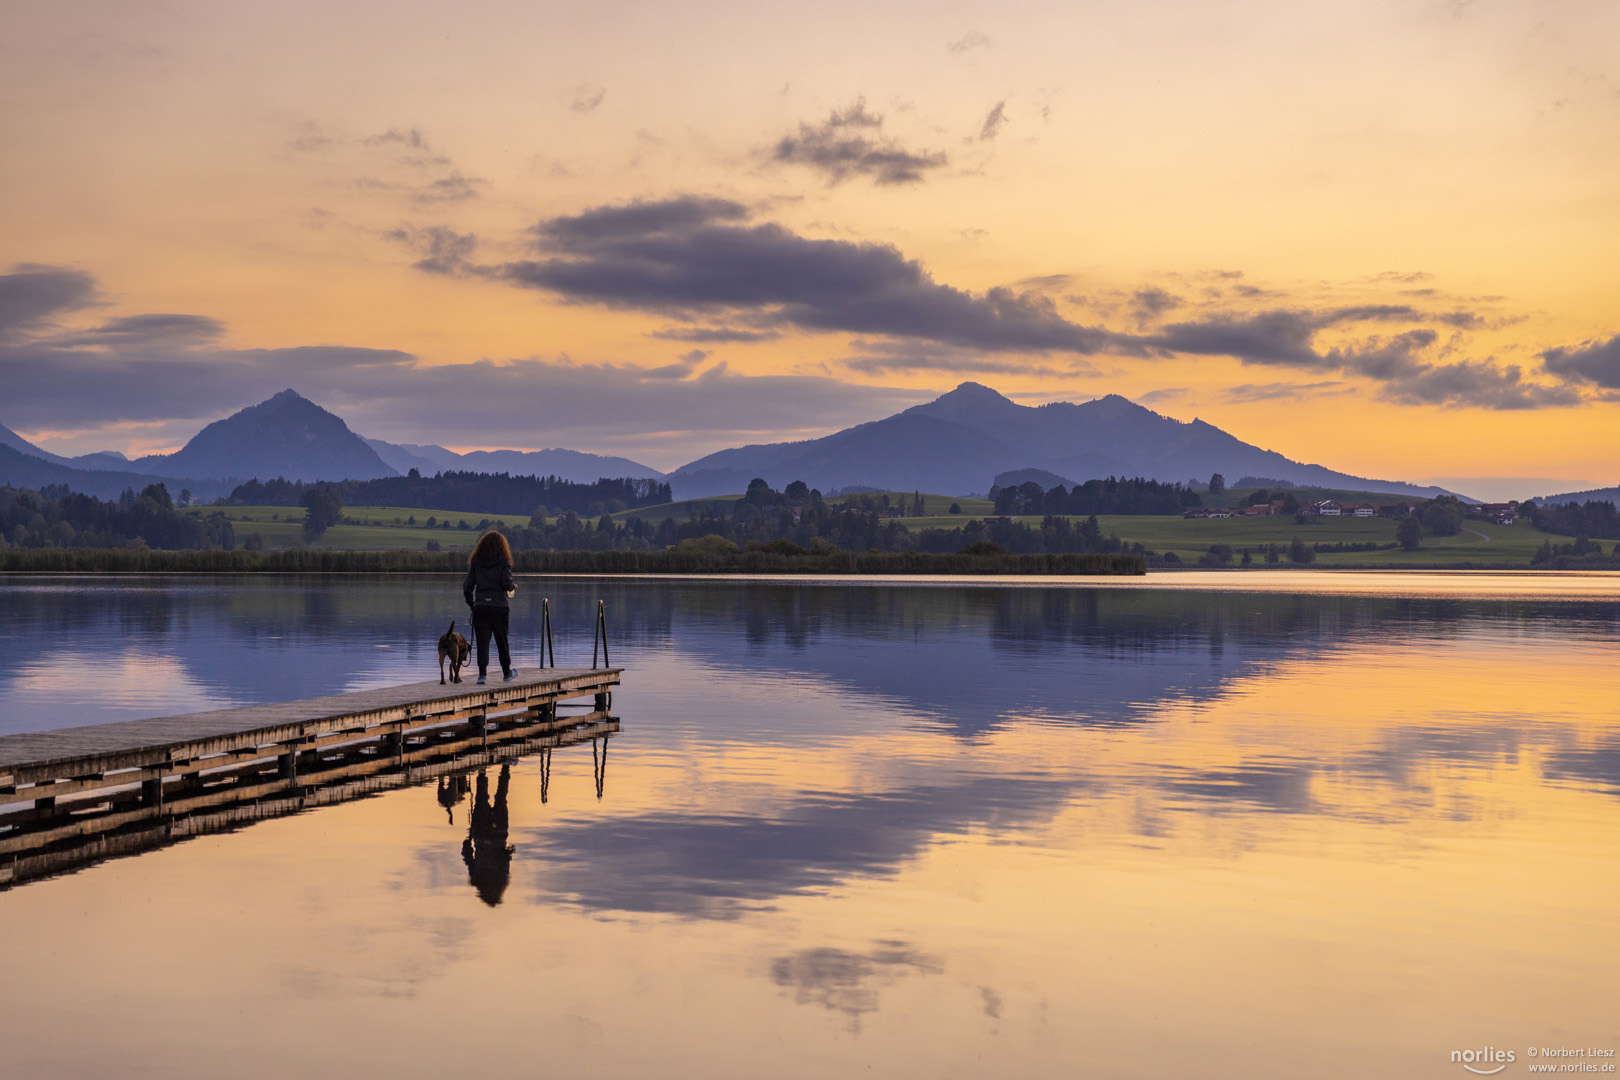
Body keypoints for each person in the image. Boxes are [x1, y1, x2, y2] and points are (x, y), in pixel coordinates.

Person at [462, 530, 516, 684]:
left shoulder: (476, 560)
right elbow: (506, 583)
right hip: (499, 606)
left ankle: (482, 675)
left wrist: (472, 604)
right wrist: (513, 586)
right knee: (502, 641)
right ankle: (506, 673)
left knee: (482, 642)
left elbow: (467, 587)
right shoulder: (504, 560)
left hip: (481, 607)